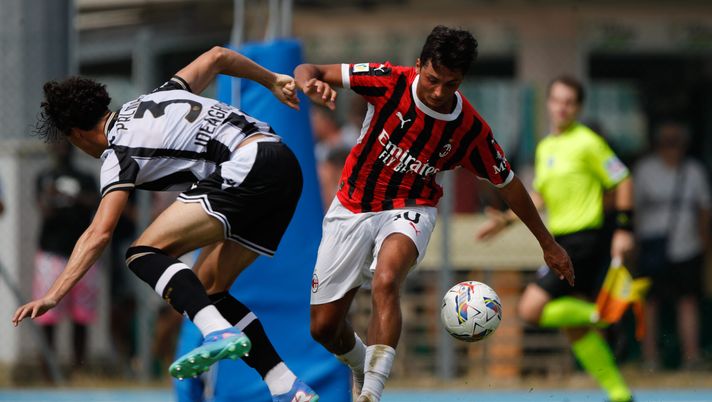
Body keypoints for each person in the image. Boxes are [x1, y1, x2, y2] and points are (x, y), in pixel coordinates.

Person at [12, 46, 319, 401]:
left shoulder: (117, 152)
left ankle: (218, 332)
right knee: (208, 289)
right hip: (284, 164)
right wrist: (271, 80)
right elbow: (217, 56)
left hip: (247, 164)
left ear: (76, 134)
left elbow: (99, 233)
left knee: (142, 253)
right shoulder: (162, 95)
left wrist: (53, 294)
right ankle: (286, 385)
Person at [294, 26, 574, 402]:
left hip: (411, 208)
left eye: (452, 84)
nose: (440, 92)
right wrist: (310, 86)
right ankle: (364, 365)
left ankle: (371, 394)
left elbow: (508, 184)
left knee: (386, 278)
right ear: (418, 66)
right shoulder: (387, 81)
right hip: (352, 207)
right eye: (432, 80)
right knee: (324, 328)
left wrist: (548, 243)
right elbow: (308, 69)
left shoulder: (470, 129)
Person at [478, 75, 636, 402]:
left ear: (577, 107)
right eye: (557, 100)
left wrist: (624, 228)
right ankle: (619, 394)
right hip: (563, 240)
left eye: (569, 102)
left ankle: (602, 313)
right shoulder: (546, 146)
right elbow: (540, 196)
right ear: (548, 103)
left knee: (530, 309)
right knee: (575, 329)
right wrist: (507, 221)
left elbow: (622, 179)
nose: (562, 107)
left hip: (584, 241)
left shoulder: (588, 142)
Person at [635, 122, 711, 371]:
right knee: (650, 303)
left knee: (688, 301)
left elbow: (704, 212)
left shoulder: (694, 171)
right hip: (651, 246)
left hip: (688, 247)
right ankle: (650, 357)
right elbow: (633, 210)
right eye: (666, 142)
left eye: (676, 142)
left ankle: (691, 356)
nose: (671, 148)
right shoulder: (645, 170)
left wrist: (705, 245)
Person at [32, 141, 99, 375]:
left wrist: (74, 197)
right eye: (57, 145)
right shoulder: (45, 177)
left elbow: (96, 204)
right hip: (52, 251)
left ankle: (78, 367)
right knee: (47, 314)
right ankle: (48, 370)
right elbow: (43, 209)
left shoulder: (85, 177)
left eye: (66, 144)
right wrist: (52, 196)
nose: (62, 149)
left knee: (81, 314)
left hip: (81, 253)